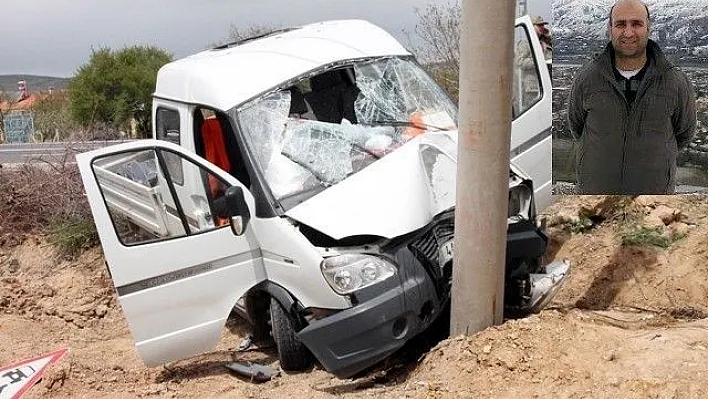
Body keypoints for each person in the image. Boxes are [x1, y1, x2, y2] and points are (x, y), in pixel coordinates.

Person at [567, 0, 696, 194]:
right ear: (610, 28)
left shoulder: (675, 81)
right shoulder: (587, 78)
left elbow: (684, 133)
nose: (628, 33)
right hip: (594, 197)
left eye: (636, 24)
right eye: (620, 24)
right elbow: (576, 126)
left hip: (654, 199)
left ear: (648, 27)